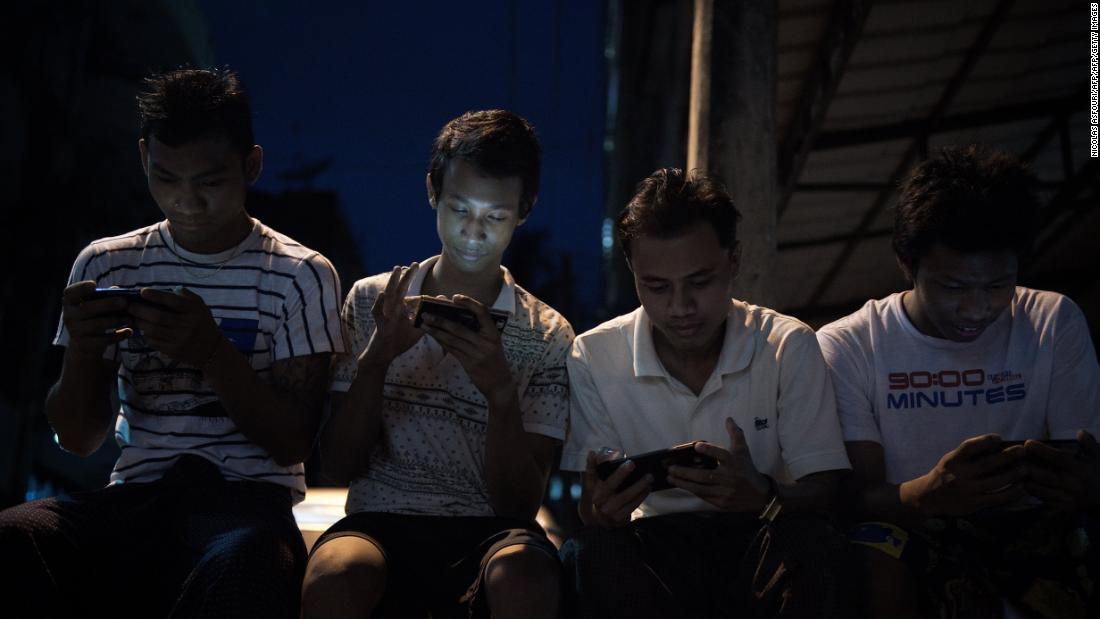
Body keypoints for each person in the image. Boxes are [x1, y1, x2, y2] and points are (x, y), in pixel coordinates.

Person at [0, 68, 343, 618]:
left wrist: (210, 352)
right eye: (165, 178)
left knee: (245, 561)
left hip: (248, 502)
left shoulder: (299, 273)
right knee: (17, 534)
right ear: (143, 159)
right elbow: (77, 437)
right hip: (135, 495)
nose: (185, 201)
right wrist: (86, 351)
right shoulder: (107, 262)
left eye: (208, 182)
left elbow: (293, 444)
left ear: (250, 166)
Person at [301, 109, 572, 619]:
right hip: (380, 517)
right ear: (432, 192)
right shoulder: (372, 302)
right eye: (459, 208)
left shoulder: (546, 332)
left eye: (495, 216)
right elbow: (337, 465)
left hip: (491, 529)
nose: (473, 232)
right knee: (337, 574)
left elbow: (519, 504)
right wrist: (377, 360)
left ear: (524, 210)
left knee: (526, 576)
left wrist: (498, 391)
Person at [816, 145, 1100, 619]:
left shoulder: (1053, 320)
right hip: (918, 530)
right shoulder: (850, 345)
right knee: (869, 546)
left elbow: (1084, 457)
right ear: (908, 266)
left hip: (1036, 527)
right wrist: (925, 494)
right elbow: (853, 497)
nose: (976, 310)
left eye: (997, 286)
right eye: (952, 288)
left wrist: (1086, 485)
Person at [560, 167, 853, 618]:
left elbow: (826, 490)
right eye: (656, 287)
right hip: (654, 547)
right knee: (590, 548)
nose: (680, 308)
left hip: (759, 535)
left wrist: (763, 495)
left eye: (700, 282)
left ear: (734, 261)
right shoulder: (594, 355)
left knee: (814, 542)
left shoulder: (785, 344)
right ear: (633, 272)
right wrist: (602, 508)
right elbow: (589, 507)